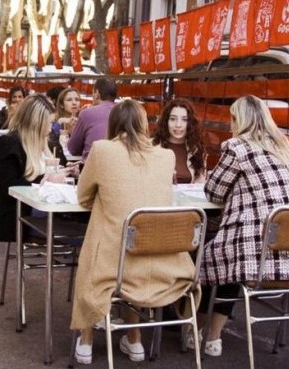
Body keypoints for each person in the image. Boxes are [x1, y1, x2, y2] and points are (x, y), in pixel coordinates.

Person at [71, 100, 196, 365]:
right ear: (144, 125)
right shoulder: (165, 155)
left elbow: (83, 198)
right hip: (163, 262)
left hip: (112, 262)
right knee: (132, 235)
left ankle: (86, 339)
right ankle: (135, 339)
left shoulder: (102, 149)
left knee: (102, 226)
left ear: (113, 124)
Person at [196, 95, 289, 357]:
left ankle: (204, 331)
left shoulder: (236, 147)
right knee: (231, 252)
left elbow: (214, 192)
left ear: (237, 119)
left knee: (213, 255)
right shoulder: (285, 146)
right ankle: (210, 334)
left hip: (259, 258)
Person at [0, 95, 57, 242]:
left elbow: (60, 165)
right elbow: (10, 185)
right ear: (36, 123)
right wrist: (44, 182)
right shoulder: (9, 144)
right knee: (82, 229)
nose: (51, 128)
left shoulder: (49, 143)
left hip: (45, 211)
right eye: (49, 123)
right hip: (22, 215)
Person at [152, 98, 207, 184]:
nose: (178, 125)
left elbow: (200, 185)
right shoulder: (152, 146)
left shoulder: (197, 149)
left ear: (191, 123)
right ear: (166, 121)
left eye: (184, 120)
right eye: (173, 119)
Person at [67, 78, 117, 162]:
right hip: (119, 167)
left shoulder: (87, 113)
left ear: (97, 93)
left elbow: (73, 149)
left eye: (93, 92)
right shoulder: (125, 112)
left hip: (92, 168)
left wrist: (72, 132)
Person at [48, 87, 81, 165]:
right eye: (69, 100)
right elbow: (50, 142)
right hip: (59, 164)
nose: (74, 103)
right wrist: (60, 122)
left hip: (77, 164)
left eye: (77, 99)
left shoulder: (82, 122)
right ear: (62, 105)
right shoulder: (54, 122)